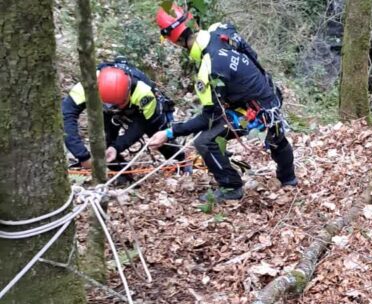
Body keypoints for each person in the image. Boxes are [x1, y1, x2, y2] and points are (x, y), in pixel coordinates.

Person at [150, 4, 297, 203]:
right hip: (268, 94)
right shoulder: (220, 30)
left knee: (204, 140)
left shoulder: (208, 71)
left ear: (174, 41)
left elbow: (210, 118)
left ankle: (231, 186)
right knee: (277, 139)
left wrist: (169, 133)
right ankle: (289, 180)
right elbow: (249, 53)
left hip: (254, 111)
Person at [62, 58, 185, 174]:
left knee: (159, 135)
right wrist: (82, 155)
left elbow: (140, 126)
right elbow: (66, 117)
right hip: (106, 109)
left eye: (116, 106)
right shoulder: (88, 84)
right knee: (106, 142)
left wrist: (118, 146)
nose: (114, 110)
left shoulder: (144, 92)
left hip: (139, 112)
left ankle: (182, 163)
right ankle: (122, 174)